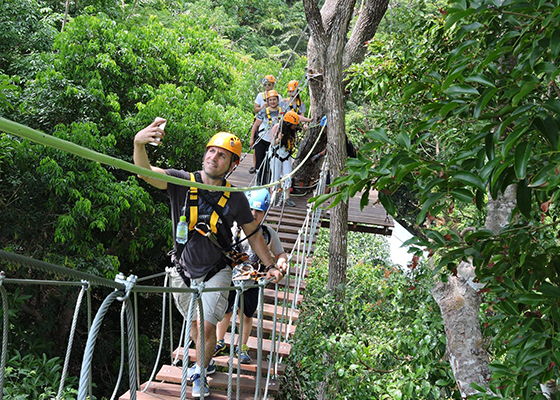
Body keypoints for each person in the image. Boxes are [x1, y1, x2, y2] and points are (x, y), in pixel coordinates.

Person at [133, 122, 284, 398]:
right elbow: (145, 173)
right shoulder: (181, 181)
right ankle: (207, 361)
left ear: (232, 164)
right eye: (211, 152)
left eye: (221, 155)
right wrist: (139, 144)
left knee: (206, 327)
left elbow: (253, 235)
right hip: (183, 270)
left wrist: (271, 264)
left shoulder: (236, 198)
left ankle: (200, 373)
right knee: (194, 327)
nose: (213, 157)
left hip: (218, 271)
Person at [214, 189, 288, 363]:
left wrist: (282, 262)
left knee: (246, 315)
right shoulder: (233, 229)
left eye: (259, 211)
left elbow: (280, 253)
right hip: (230, 279)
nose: (254, 214)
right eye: (251, 210)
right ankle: (219, 341)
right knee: (226, 312)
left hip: (252, 281)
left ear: (265, 213)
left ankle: (243, 346)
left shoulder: (268, 234)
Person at [250, 75, 283, 174]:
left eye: (269, 84)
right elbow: (255, 109)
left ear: (273, 85)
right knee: (258, 147)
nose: (267, 86)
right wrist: (262, 109)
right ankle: (255, 166)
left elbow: (281, 109)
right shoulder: (261, 96)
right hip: (262, 124)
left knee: (271, 159)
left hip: (274, 131)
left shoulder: (278, 97)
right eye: (265, 84)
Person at [270, 110, 301, 207]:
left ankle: (287, 197)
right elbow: (272, 143)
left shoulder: (292, 130)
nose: (295, 127)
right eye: (293, 125)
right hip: (276, 155)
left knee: (288, 176)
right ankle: (272, 196)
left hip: (286, 155)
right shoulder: (277, 128)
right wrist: (279, 139)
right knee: (275, 177)